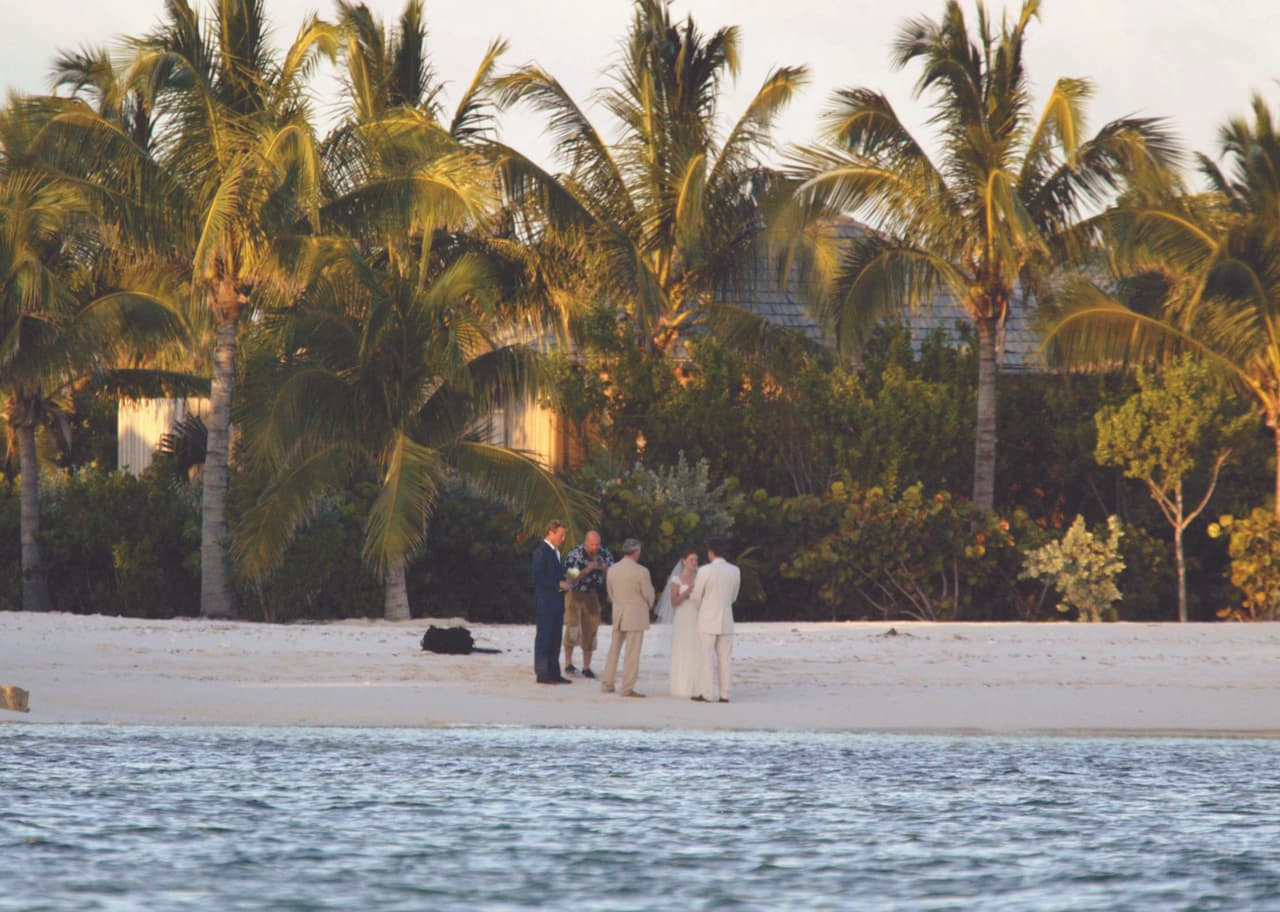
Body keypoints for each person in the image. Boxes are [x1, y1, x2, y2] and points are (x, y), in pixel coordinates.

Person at [601, 538, 654, 698]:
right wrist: (648, 605)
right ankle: (627, 687)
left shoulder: (612, 569)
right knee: (632, 653)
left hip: (618, 612)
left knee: (614, 650)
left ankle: (607, 683)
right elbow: (648, 594)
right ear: (636, 552)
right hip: (635, 614)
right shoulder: (641, 571)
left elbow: (610, 593)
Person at [690, 538, 740, 704]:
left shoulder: (704, 570)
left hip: (707, 618)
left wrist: (701, 608)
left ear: (711, 552)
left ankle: (707, 694)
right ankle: (725, 694)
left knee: (706, 656)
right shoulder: (735, 570)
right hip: (726, 618)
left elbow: (697, 596)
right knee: (725, 657)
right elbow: (734, 596)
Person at [561, 530, 614, 678]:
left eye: (597, 544)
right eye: (592, 544)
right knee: (572, 627)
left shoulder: (605, 554)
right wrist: (587, 569)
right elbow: (569, 578)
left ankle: (586, 667)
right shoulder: (575, 554)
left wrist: (604, 569)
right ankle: (568, 663)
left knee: (591, 630)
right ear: (585, 543)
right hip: (575, 594)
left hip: (593, 595)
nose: (595, 547)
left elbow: (613, 576)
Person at [654, 550, 702, 697]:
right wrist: (688, 590)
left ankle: (696, 686)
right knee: (682, 648)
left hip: (696, 615)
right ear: (684, 561)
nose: (694, 563)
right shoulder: (677, 579)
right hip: (682, 615)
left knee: (696, 649)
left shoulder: (700, 577)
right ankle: (681, 687)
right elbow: (674, 602)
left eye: (696, 560)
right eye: (691, 560)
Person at [531, 520, 572, 685]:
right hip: (545, 603)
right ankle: (542, 674)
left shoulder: (556, 552)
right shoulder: (542, 551)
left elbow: (559, 574)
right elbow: (537, 576)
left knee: (555, 638)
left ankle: (554, 673)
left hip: (557, 602)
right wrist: (558, 584)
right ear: (550, 532)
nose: (563, 539)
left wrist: (570, 577)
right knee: (544, 637)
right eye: (561, 535)